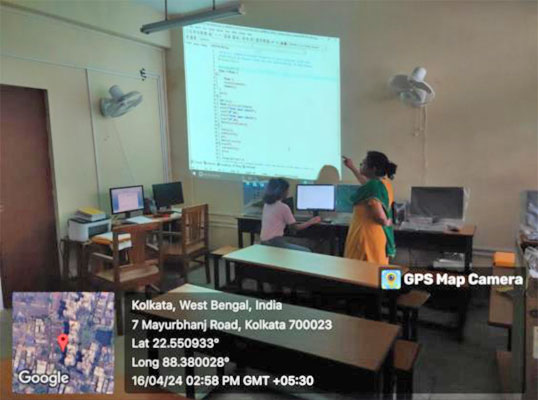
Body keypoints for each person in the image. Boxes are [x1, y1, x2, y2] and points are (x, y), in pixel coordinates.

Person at [342, 152, 397, 264]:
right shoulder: (384, 183)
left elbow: (380, 217)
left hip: (366, 239)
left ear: (373, 168)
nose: (361, 164)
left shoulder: (373, 187)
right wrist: (352, 167)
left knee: (361, 271)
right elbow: (366, 184)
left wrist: (386, 221)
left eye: (363, 163)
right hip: (377, 236)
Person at [260, 178, 321, 252]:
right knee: (307, 250)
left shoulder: (266, 205)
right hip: (275, 243)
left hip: (264, 242)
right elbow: (295, 228)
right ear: (282, 191)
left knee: (296, 241)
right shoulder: (283, 207)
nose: (288, 192)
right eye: (287, 190)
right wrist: (310, 222)